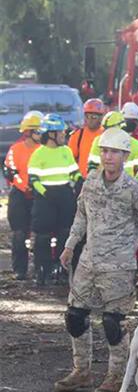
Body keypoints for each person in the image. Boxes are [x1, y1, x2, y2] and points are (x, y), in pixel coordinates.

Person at [54, 128, 138, 392]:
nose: (108, 157)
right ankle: (81, 371)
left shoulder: (135, 190)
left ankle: (115, 376)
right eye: (104, 151)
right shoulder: (91, 183)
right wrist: (69, 246)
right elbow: (81, 217)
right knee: (74, 317)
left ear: (125, 155)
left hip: (120, 267)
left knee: (113, 323)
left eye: (114, 152)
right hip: (89, 262)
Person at [27, 114, 81, 285]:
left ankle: (61, 267)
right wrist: (45, 193)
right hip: (45, 199)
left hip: (65, 196)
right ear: (51, 134)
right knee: (42, 236)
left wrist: (79, 181)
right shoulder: (38, 154)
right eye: (61, 133)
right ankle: (42, 269)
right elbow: (33, 180)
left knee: (65, 232)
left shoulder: (66, 151)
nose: (64, 135)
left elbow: (75, 172)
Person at [3, 111, 43, 279]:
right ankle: (20, 269)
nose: (41, 134)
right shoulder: (15, 149)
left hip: (40, 194)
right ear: (28, 132)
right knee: (19, 233)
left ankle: (42, 269)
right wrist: (24, 186)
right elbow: (10, 171)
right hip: (20, 195)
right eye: (38, 131)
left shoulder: (43, 150)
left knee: (42, 234)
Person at [87, 111, 138, 180]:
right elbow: (92, 167)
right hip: (103, 186)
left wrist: (133, 186)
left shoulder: (134, 143)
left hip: (126, 186)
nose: (108, 132)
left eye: (111, 129)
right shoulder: (98, 141)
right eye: (105, 129)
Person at [69, 98, 104, 178]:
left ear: (101, 117)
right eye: (87, 116)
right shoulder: (77, 135)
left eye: (94, 117)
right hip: (82, 181)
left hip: (102, 181)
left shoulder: (106, 134)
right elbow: (70, 161)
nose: (90, 120)